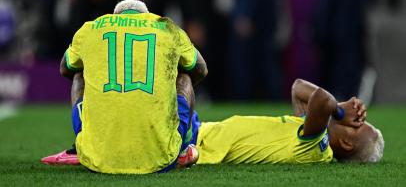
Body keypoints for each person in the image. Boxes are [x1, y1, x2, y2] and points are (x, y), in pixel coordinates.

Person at [43, 76, 383, 166]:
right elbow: (299, 89)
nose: (352, 117)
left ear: (346, 143)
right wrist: (337, 111)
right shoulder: (303, 132)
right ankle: (92, 137)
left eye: (356, 124)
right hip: (197, 132)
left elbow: (321, 100)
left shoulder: (317, 148)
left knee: (183, 78)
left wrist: (339, 108)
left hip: (193, 142)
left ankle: (87, 138)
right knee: (175, 86)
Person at [42, 0, 208, 174]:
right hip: (162, 158)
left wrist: (96, 81)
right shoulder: (167, 28)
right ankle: (183, 146)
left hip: (97, 160)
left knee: (79, 75)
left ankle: (83, 142)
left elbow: (64, 68)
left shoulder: (91, 29)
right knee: (185, 78)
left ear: (116, 16)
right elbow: (201, 69)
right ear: (146, 15)